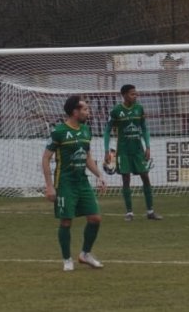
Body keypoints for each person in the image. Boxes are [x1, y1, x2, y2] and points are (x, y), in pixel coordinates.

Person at [42, 95, 106, 271]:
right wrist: (49, 186)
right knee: (66, 222)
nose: (88, 112)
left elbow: (87, 157)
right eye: (85, 109)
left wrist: (99, 175)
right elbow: (46, 158)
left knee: (95, 218)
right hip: (65, 183)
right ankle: (67, 259)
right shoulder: (59, 132)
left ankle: (85, 254)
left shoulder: (86, 130)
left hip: (82, 182)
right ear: (74, 111)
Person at [104, 84, 161, 221]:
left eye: (136, 94)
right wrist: (107, 150)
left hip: (138, 150)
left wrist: (147, 146)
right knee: (126, 179)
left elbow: (144, 128)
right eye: (132, 94)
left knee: (145, 177)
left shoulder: (139, 109)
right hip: (123, 151)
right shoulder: (117, 111)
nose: (135, 96)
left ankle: (150, 211)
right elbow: (107, 131)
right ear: (124, 95)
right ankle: (129, 212)